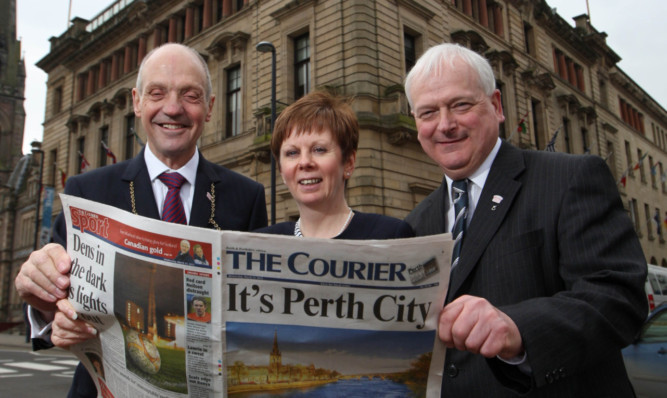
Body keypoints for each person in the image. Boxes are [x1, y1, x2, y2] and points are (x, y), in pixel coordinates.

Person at [14, 43, 268, 398]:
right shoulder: (87, 191)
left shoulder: (247, 196)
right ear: (137, 102)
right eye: (157, 93)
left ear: (209, 108)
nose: (173, 108)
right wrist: (43, 302)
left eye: (190, 95)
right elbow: (49, 306)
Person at [403, 43, 647, 397]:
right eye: (428, 113)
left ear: (497, 106)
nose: (445, 125)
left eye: (460, 105)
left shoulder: (570, 179)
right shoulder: (415, 222)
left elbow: (618, 300)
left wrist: (517, 328)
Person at [256, 91, 413, 239]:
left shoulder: (391, 235)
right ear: (281, 170)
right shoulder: (260, 245)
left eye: (319, 149)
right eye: (292, 153)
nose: (304, 162)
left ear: (348, 163)